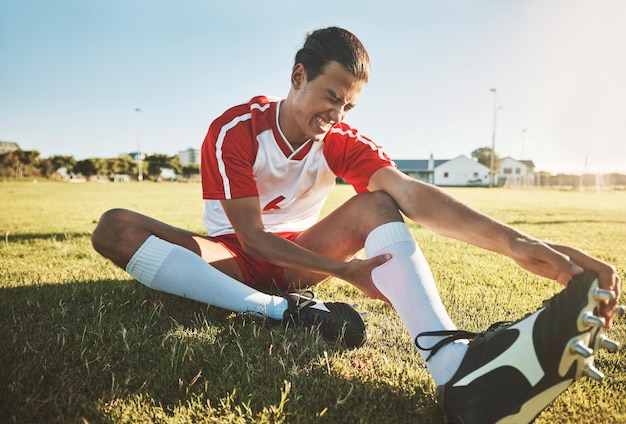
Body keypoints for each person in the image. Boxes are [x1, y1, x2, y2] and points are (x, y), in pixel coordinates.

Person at [92, 27, 622, 423]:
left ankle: (451, 365)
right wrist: (342, 273)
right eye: (331, 96)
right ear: (298, 76)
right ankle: (283, 313)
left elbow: (411, 194)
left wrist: (518, 244)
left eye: (348, 105)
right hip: (230, 259)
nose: (337, 115)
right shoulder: (235, 130)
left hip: (299, 257)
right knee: (114, 227)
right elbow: (252, 238)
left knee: (376, 204)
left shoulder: (341, 140)